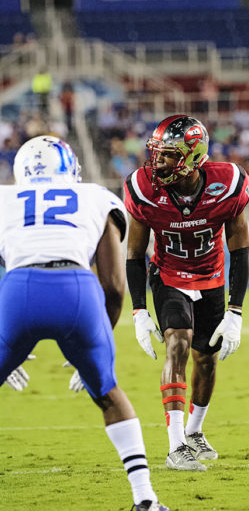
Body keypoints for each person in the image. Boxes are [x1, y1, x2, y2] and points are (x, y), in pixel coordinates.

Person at [0, 135, 168, 511]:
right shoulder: (94, 196)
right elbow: (113, 284)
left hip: (17, 292)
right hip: (77, 292)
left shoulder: (3, 199)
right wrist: (98, 340)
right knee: (108, 392)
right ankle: (145, 498)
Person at [124, 115, 249, 471]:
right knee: (177, 342)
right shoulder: (144, 189)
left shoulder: (226, 185)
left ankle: (194, 431)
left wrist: (235, 311)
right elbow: (134, 253)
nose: (157, 162)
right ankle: (176, 445)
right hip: (168, 275)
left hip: (211, 277)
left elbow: (240, 248)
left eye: (166, 155)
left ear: (193, 157)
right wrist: (138, 311)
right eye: (156, 153)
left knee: (206, 361)